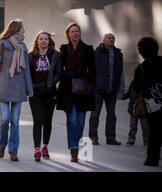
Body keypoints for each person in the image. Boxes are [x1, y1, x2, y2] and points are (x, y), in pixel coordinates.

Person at [0, 19, 33, 162]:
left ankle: (13, 150)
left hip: (19, 88)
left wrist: (29, 87)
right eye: (22, 27)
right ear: (16, 29)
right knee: (5, 119)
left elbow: (26, 70)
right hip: (3, 87)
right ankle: (2, 145)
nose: (24, 30)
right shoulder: (2, 44)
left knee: (15, 121)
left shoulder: (23, 46)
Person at [57, 23, 96, 163]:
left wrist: (92, 86)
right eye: (72, 31)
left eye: (77, 31)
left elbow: (93, 69)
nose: (75, 33)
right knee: (72, 120)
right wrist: (65, 74)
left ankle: (76, 144)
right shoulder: (63, 49)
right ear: (68, 34)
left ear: (80, 33)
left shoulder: (88, 49)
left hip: (83, 88)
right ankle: (73, 149)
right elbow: (59, 68)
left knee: (80, 122)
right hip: (68, 88)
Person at [28, 31, 62, 161]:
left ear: (49, 41)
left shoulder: (56, 55)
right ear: (37, 41)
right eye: (41, 39)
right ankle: (36, 148)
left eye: (45, 39)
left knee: (47, 121)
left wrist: (49, 84)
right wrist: (31, 87)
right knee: (38, 120)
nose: (43, 41)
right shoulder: (30, 56)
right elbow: (27, 75)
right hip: (35, 93)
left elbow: (59, 73)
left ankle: (45, 147)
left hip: (50, 92)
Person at [129, 37, 162, 167]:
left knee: (154, 132)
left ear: (142, 52)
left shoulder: (142, 68)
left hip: (152, 106)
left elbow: (136, 87)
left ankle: (152, 159)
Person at [89, 33, 124, 145]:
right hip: (98, 89)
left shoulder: (118, 54)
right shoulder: (96, 53)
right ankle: (93, 137)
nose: (111, 39)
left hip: (112, 90)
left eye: (113, 38)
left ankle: (111, 138)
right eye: (109, 38)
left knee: (112, 115)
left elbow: (121, 73)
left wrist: (120, 90)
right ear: (103, 40)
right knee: (95, 114)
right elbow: (91, 72)